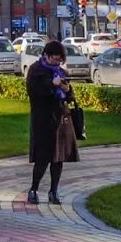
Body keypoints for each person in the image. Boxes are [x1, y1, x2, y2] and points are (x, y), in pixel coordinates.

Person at [26, 40, 80, 204]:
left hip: (62, 120)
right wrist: (51, 84)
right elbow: (34, 92)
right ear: (46, 56)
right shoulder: (36, 70)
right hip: (43, 120)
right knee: (43, 158)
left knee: (58, 158)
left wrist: (67, 90)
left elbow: (70, 98)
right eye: (54, 59)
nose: (57, 63)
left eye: (59, 60)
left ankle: (53, 191)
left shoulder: (61, 72)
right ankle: (33, 189)